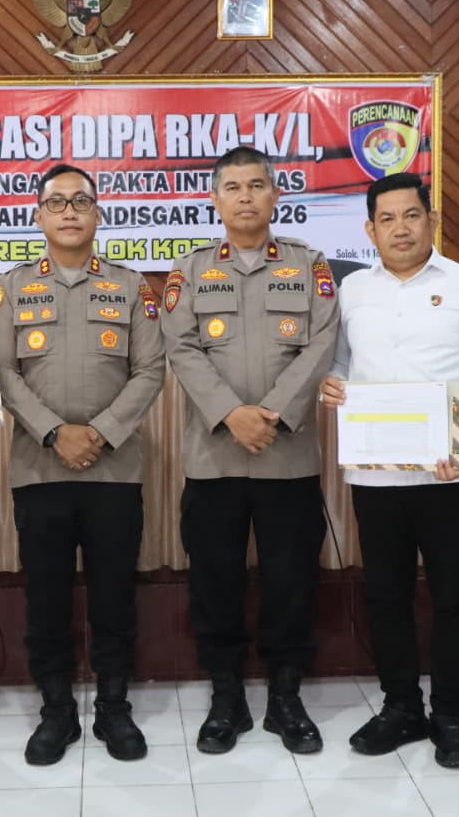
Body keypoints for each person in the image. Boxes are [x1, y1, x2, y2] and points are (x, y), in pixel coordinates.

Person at [318, 173, 459, 768]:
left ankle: (449, 713)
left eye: (411, 215)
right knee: (386, 595)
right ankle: (400, 706)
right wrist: (334, 384)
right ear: (369, 229)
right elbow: (342, 364)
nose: (399, 228)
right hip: (376, 477)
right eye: (387, 219)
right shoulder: (352, 291)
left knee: (454, 594)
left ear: (432, 219)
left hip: (452, 474)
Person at [0, 164, 165, 765]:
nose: (68, 212)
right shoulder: (10, 288)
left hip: (114, 471)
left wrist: (102, 433)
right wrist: (55, 432)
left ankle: (113, 706)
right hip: (40, 470)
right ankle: (56, 710)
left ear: (97, 214)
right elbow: (0, 371)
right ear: (38, 216)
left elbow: (150, 370)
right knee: (47, 598)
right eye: (56, 202)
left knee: (114, 594)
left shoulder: (131, 286)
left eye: (80, 201)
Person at [161, 145, 338, 755]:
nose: (245, 197)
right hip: (214, 457)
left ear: (275, 195)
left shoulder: (309, 265)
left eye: (256, 185)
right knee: (215, 581)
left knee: (292, 580)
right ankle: (226, 697)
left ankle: (286, 697)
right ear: (215, 199)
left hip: (288, 455)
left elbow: (322, 342)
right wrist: (231, 414)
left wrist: (274, 413)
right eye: (232, 187)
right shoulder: (189, 269)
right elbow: (181, 347)